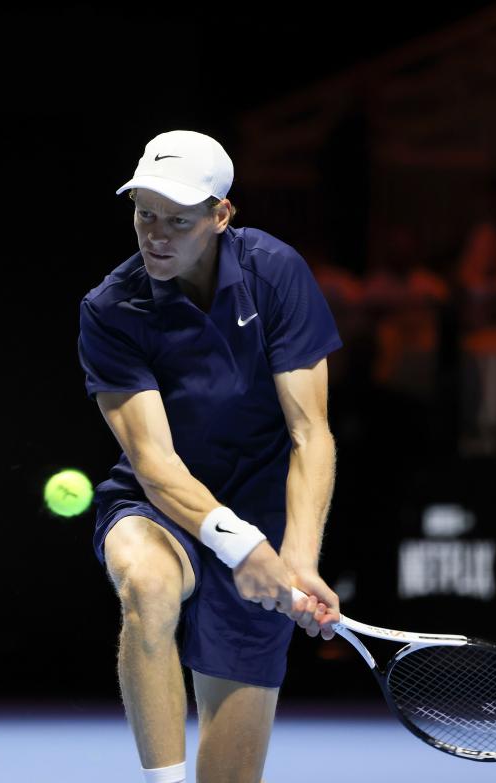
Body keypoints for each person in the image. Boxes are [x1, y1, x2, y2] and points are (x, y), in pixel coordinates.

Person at [78, 131, 343, 783]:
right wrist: (241, 546)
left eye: (179, 220)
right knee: (147, 582)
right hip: (157, 506)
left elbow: (311, 433)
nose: (156, 235)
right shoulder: (111, 309)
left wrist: (298, 558)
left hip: (261, 509)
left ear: (221, 215)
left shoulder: (275, 273)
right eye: (145, 214)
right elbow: (155, 464)